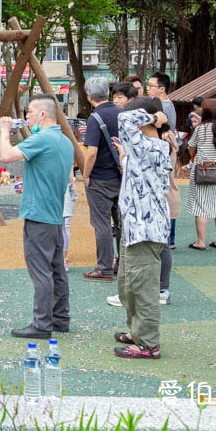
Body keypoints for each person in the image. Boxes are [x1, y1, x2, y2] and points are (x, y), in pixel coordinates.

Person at [0, 95, 73, 339]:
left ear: (42, 115)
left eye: (29, 111)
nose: (26, 116)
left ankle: (41, 323)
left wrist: (4, 130)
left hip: (38, 212)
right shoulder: (65, 142)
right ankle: (60, 318)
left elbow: (7, 155)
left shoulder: (42, 138)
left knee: (41, 270)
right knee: (57, 269)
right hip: (55, 212)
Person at [111, 98, 171, 360]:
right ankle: (137, 332)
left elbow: (124, 120)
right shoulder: (145, 148)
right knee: (128, 284)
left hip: (145, 229)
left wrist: (157, 117)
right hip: (137, 226)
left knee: (142, 288)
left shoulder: (148, 144)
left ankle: (148, 344)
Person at [82, 76, 122, 282]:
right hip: (122, 175)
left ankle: (104, 267)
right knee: (121, 222)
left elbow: (91, 153)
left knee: (102, 224)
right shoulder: (122, 113)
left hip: (100, 178)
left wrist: (85, 175)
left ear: (89, 96)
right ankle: (122, 263)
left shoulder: (95, 118)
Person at [187, 99, 216, 251]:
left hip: (202, 170)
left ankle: (200, 241)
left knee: (201, 205)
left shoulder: (201, 129)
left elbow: (190, 147)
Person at [147, 72, 178, 143]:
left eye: (150, 86)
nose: (148, 88)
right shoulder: (168, 103)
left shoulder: (161, 107)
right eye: (147, 85)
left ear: (162, 89)